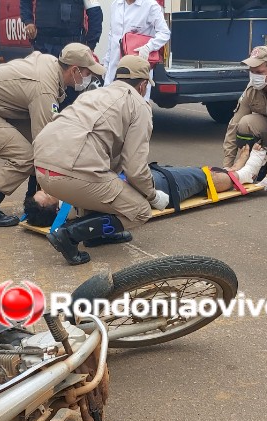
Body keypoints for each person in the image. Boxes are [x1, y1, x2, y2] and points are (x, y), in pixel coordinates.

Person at [32, 55, 167, 265]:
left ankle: (96, 235)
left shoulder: (94, 95)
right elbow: (135, 168)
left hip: (42, 169)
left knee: (103, 178)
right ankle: (69, 234)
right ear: (142, 85)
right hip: (72, 174)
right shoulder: (138, 105)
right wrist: (152, 195)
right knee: (140, 211)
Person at [0, 42, 104, 227]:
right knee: (26, 156)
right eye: (87, 73)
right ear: (74, 70)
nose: (88, 78)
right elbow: (45, 144)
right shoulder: (44, 88)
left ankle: (31, 199)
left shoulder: (51, 64)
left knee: (35, 149)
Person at [30, 143, 267, 227]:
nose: (44, 189)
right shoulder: (68, 206)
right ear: (52, 208)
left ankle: (235, 170)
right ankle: (245, 173)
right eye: (44, 195)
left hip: (148, 177)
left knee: (199, 172)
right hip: (159, 186)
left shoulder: (67, 198)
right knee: (203, 177)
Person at [223, 45, 267, 192]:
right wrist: (227, 165)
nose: (254, 76)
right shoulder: (253, 87)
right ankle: (258, 166)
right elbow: (235, 123)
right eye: (251, 72)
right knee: (245, 123)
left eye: (259, 72)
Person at [102, 0, 168, 100]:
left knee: (136, 106)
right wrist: (106, 63)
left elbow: (164, 33)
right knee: (110, 104)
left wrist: (148, 47)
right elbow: (112, 36)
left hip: (137, 70)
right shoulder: (116, 4)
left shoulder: (150, 5)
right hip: (114, 68)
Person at [21, 0, 102, 56]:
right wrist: (28, 22)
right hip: (44, 45)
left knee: (70, 80)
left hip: (72, 47)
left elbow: (95, 13)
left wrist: (90, 45)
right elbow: (25, 2)